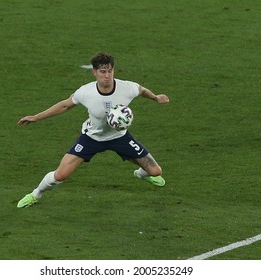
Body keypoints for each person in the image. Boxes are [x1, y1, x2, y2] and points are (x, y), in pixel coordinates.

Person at [17, 52, 170, 208]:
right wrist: (36, 117)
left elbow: (142, 90)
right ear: (94, 72)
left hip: (120, 137)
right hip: (91, 138)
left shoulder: (126, 88)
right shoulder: (85, 92)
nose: (107, 75)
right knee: (61, 175)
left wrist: (156, 98)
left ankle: (140, 174)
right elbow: (65, 105)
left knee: (155, 171)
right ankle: (35, 194)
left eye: (110, 71)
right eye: (103, 72)